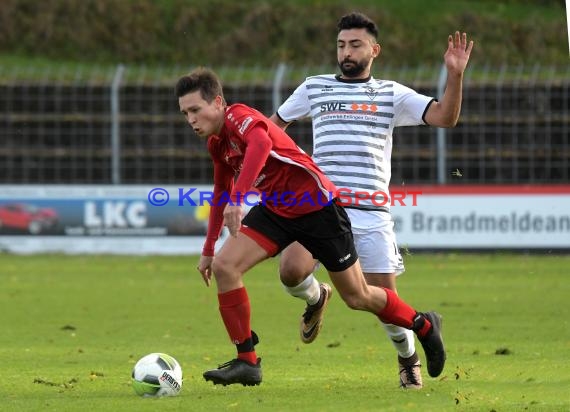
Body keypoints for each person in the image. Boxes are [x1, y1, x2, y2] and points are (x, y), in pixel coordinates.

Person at [176, 67, 445, 387]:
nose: (191, 119)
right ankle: (247, 361)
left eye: (196, 109)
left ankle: (424, 325)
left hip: (319, 209)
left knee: (357, 296)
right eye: (185, 113)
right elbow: (221, 192)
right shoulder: (217, 144)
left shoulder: (238, 116)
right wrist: (208, 250)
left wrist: (239, 197)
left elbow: (260, 143)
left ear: (218, 102)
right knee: (225, 266)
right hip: (277, 210)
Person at [269, 12, 473, 389]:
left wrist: (455, 75)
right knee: (291, 271)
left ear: (374, 50)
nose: (346, 51)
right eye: (341, 44)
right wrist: (289, 164)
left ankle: (407, 357)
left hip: (371, 213)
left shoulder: (392, 94)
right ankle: (316, 298)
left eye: (355, 44)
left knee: (385, 306)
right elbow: (273, 129)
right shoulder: (314, 88)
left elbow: (445, 117)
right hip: (321, 206)